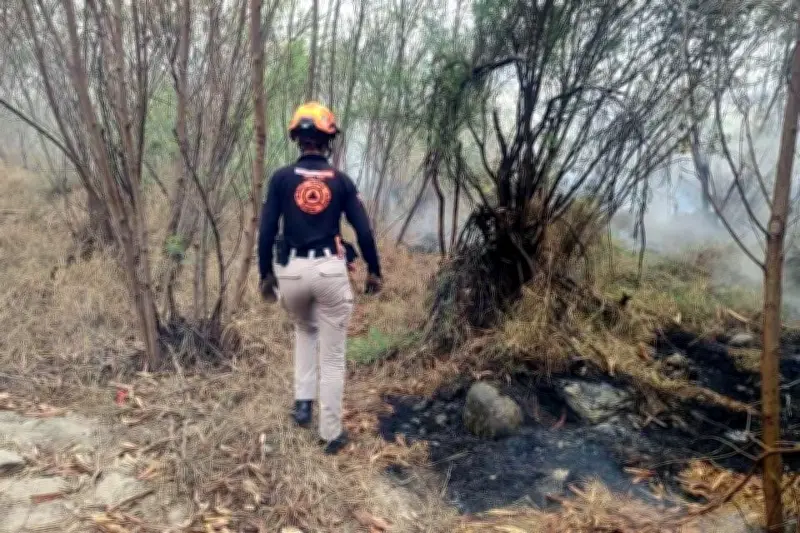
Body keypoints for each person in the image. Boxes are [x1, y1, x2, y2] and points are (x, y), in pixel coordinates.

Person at [257, 102, 383, 455]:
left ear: (297, 138)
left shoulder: (281, 179)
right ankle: (330, 434)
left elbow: (266, 229)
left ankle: (302, 405)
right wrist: (374, 271)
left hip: (292, 272)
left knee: (304, 330)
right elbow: (364, 231)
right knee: (331, 357)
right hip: (328, 270)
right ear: (328, 140)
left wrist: (264, 272)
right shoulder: (341, 182)